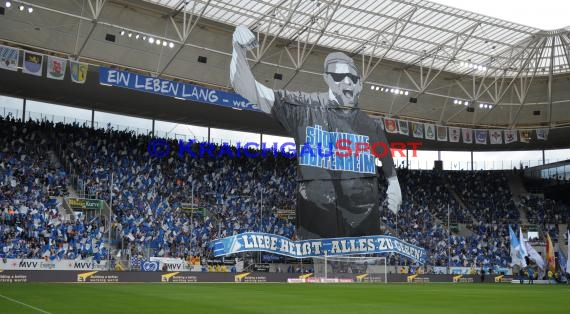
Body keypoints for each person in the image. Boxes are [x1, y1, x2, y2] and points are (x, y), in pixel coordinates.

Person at [230, 25, 402, 239]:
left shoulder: (370, 125)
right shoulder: (303, 108)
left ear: (360, 85)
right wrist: (238, 48)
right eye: (339, 76)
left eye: (352, 77)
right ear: (327, 79)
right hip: (317, 227)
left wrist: (393, 181)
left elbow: (381, 147)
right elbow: (248, 89)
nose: (347, 81)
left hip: (360, 232)